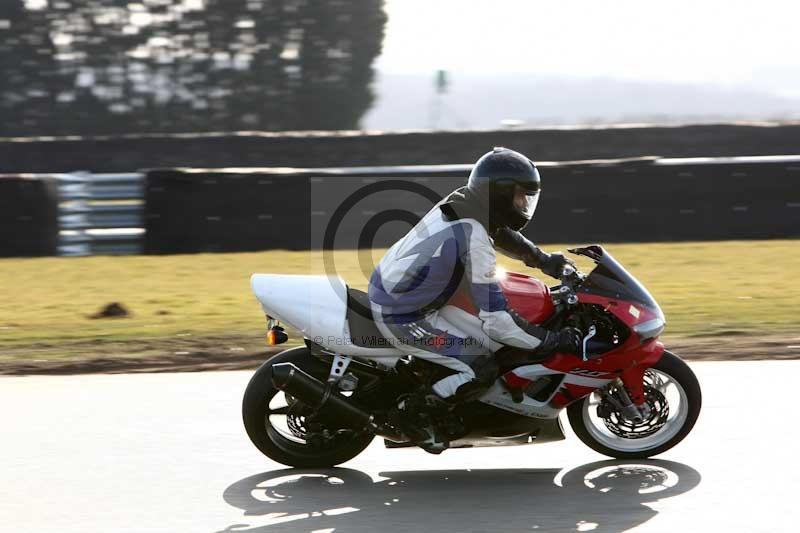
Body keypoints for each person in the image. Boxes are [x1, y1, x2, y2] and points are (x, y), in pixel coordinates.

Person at [368, 147, 583, 451]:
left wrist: (544, 260)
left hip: (402, 291)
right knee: (480, 365)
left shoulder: (463, 203)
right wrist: (551, 340)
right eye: (520, 196)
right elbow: (498, 322)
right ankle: (412, 414)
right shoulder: (475, 240)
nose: (524, 204)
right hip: (404, 315)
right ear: (499, 195)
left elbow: (502, 233)